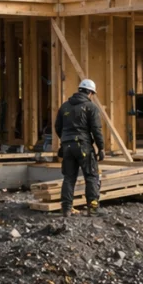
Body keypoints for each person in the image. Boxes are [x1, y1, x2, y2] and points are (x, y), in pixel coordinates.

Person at [54, 78, 106, 217]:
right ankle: (93, 209)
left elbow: (58, 127)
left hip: (67, 146)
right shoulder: (91, 107)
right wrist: (101, 148)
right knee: (91, 176)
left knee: (69, 178)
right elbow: (96, 129)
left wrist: (65, 140)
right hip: (83, 146)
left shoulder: (64, 106)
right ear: (90, 93)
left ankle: (66, 209)